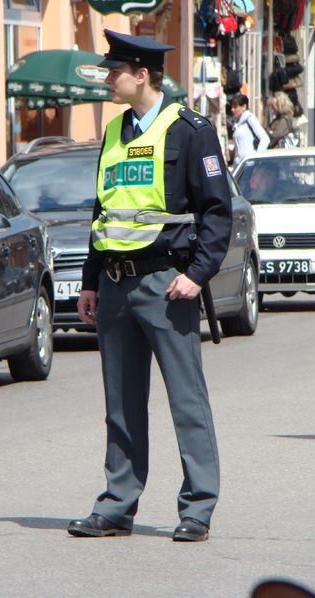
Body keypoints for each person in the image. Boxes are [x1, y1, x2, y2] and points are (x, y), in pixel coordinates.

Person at [67, 29, 232, 542]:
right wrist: (91, 281)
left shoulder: (189, 130)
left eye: (114, 72)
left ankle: (197, 508)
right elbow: (104, 211)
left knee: (187, 400)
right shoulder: (114, 133)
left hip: (167, 284)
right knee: (120, 403)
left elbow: (217, 212)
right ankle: (117, 505)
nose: (108, 79)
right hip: (115, 286)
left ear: (142, 75)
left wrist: (196, 275)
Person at [230, 93, 270, 167]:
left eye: (235, 107)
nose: (232, 110)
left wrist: (256, 160)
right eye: (232, 107)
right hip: (239, 165)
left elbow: (265, 139)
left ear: (244, 107)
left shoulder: (249, 119)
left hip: (250, 165)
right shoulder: (237, 123)